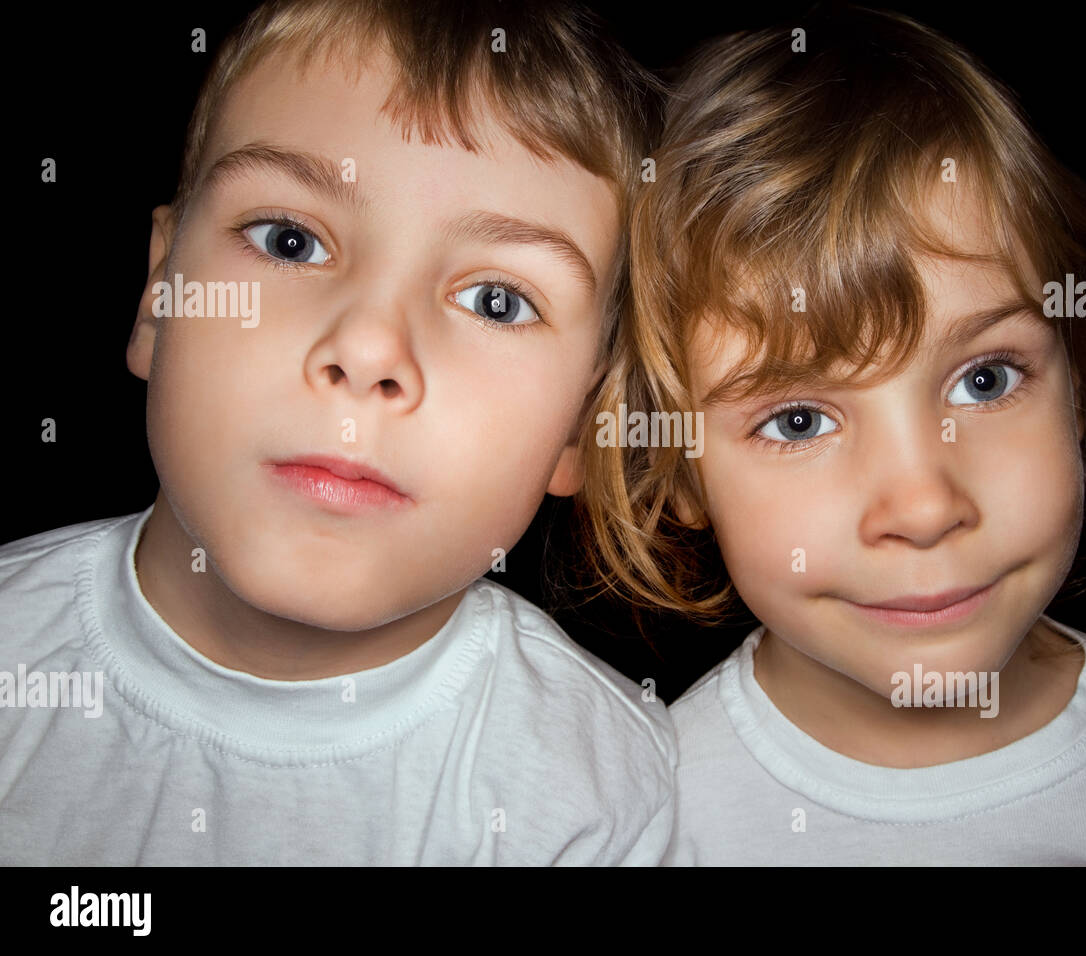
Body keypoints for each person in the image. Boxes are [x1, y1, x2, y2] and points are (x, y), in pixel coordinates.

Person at [578, 6, 1086, 865]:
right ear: (678, 473)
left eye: (985, 380)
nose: (923, 506)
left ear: (1082, 380)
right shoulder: (645, 823)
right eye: (797, 420)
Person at [0, 0, 675, 865]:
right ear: (159, 296)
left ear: (585, 425)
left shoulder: (601, 792)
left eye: (496, 301)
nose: (367, 349)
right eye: (289, 240)